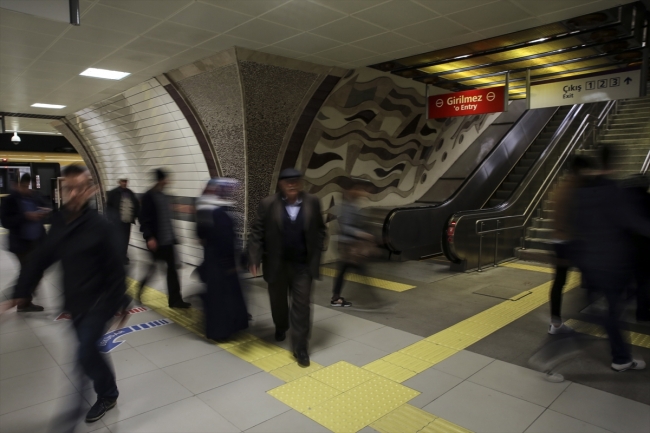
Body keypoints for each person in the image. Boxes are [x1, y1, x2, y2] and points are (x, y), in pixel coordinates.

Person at [0, 165, 129, 424]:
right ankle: (109, 391)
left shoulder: (101, 225)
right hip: (74, 301)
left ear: (90, 190)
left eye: (80, 188)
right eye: (69, 188)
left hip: (98, 303)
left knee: (83, 355)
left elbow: (117, 267)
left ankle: (71, 420)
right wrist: (19, 293)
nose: (74, 194)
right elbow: (41, 257)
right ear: (61, 189)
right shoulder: (60, 220)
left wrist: (120, 302)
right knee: (89, 351)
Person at [570, 146, 650, 372]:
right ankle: (621, 357)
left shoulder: (582, 192)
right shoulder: (616, 192)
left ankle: (618, 351)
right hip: (615, 265)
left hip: (590, 263)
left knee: (606, 309)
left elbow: (577, 225)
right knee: (615, 310)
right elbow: (635, 223)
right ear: (617, 164)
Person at [248, 168, 327, 367]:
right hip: (277, 264)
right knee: (278, 302)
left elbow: (320, 229)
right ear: (280, 184)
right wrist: (254, 257)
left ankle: (301, 347)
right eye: (287, 181)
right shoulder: (268, 204)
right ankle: (281, 326)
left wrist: (317, 250)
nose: (291, 184)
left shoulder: (312, 202)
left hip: (303, 266)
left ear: (301, 183)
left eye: (295, 181)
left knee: (302, 306)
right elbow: (257, 232)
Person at [196, 178, 249, 340]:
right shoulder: (216, 210)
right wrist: (234, 262)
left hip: (215, 259)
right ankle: (222, 331)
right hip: (222, 260)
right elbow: (224, 238)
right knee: (223, 297)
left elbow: (201, 236)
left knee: (219, 296)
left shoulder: (205, 207)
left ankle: (225, 327)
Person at [547, 155, 593, 334]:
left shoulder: (560, 187)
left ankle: (555, 322)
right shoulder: (574, 188)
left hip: (559, 240)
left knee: (559, 281)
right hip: (569, 242)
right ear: (579, 170)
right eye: (585, 170)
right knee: (592, 273)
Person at [137, 168, 190, 308]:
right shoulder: (149, 196)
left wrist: (174, 236)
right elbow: (143, 219)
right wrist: (149, 237)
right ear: (160, 180)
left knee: (172, 271)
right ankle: (139, 290)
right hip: (156, 241)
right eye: (166, 179)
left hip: (168, 241)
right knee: (152, 269)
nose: (168, 181)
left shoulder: (165, 196)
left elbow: (167, 219)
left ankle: (175, 300)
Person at [0, 173, 49, 312]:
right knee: (28, 272)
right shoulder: (10, 200)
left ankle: (22, 300)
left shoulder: (35, 196)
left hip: (37, 241)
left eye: (28, 186)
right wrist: (25, 216)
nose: (26, 189)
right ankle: (19, 300)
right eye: (24, 186)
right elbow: (6, 222)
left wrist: (44, 211)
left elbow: (46, 205)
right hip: (21, 244)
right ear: (16, 186)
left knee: (36, 272)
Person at [331, 179, 376, 308]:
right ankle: (373, 301)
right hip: (348, 245)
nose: (363, 192)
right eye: (360, 189)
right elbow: (344, 227)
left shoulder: (352, 204)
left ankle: (336, 297)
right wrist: (361, 234)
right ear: (352, 190)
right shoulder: (346, 206)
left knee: (344, 271)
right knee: (360, 270)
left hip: (350, 245)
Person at [620, 174, 650, 322]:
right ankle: (642, 311)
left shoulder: (625, 202)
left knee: (637, 280)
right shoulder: (646, 200)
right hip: (644, 250)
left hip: (628, 249)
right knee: (644, 281)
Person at [106, 178, 140, 265]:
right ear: (119, 182)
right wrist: (110, 219)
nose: (124, 183)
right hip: (117, 222)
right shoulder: (113, 193)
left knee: (125, 240)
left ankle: (123, 256)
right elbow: (108, 207)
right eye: (123, 181)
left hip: (127, 221)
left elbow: (136, 205)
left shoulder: (130, 193)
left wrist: (135, 215)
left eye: (126, 181)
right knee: (117, 239)